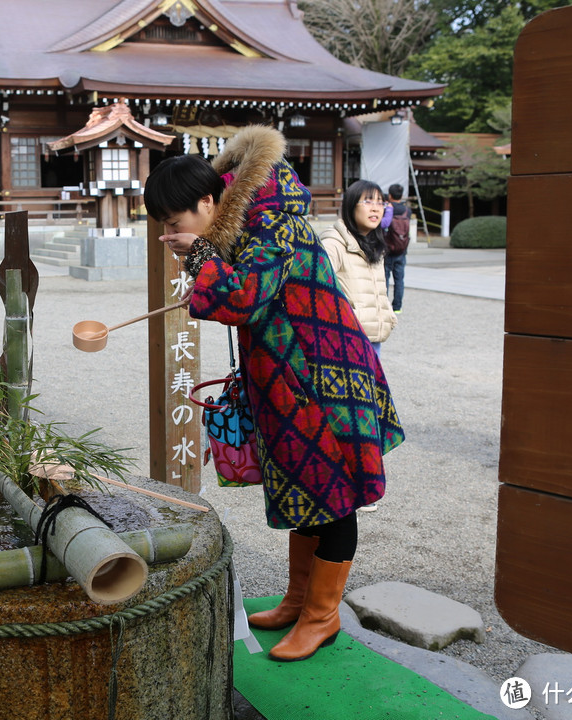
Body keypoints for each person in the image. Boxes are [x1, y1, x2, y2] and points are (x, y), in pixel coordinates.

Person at [144, 126, 404, 662]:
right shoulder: (249, 223)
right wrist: (203, 251)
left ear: (208, 202)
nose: (169, 234)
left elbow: (241, 298)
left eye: (175, 223)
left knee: (334, 495)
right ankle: (297, 600)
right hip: (292, 379)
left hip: (326, 378)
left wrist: (198, 256)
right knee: (303, 485)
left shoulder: (272, 224)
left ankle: (322, 616)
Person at [319, 180, 397, 357]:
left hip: (373, 339)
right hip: (346, 342)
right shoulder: (333, 244)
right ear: (351, 206)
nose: (376, 208)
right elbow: (318, 293)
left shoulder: (375, 246)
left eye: (380, 202)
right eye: (368, 202)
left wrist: (388, 315)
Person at [380, 183, 410, 314]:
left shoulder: (387, 209)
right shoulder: (407, 211)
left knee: (385, 278)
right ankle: (397, 307)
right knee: (399, 280)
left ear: (390, 195)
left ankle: (385, 306)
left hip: (387, 248)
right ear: (401, 195)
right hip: (402, 249)